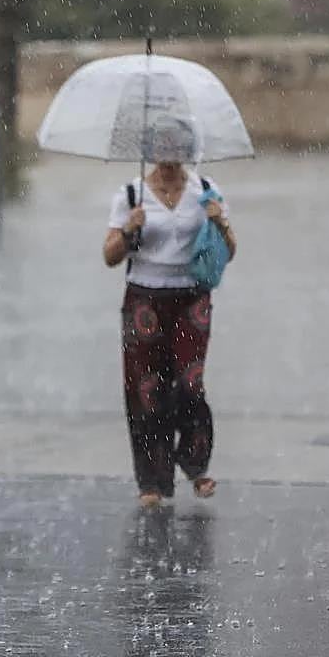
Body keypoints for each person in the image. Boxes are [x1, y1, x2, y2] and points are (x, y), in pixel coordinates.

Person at [102, 117, 238, 508]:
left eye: (175, 153)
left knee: (189, 383)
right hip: (144, 298)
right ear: (149, 153)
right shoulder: (131, 195)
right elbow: (110, 256)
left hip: (192, 298)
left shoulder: (206, 191)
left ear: (187, 153)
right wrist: (130, 230)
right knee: (146, 390)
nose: (167, 163)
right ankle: (152, 481)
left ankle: (195, 464)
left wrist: (220, 223)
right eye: (160, 153)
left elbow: (229, 252)